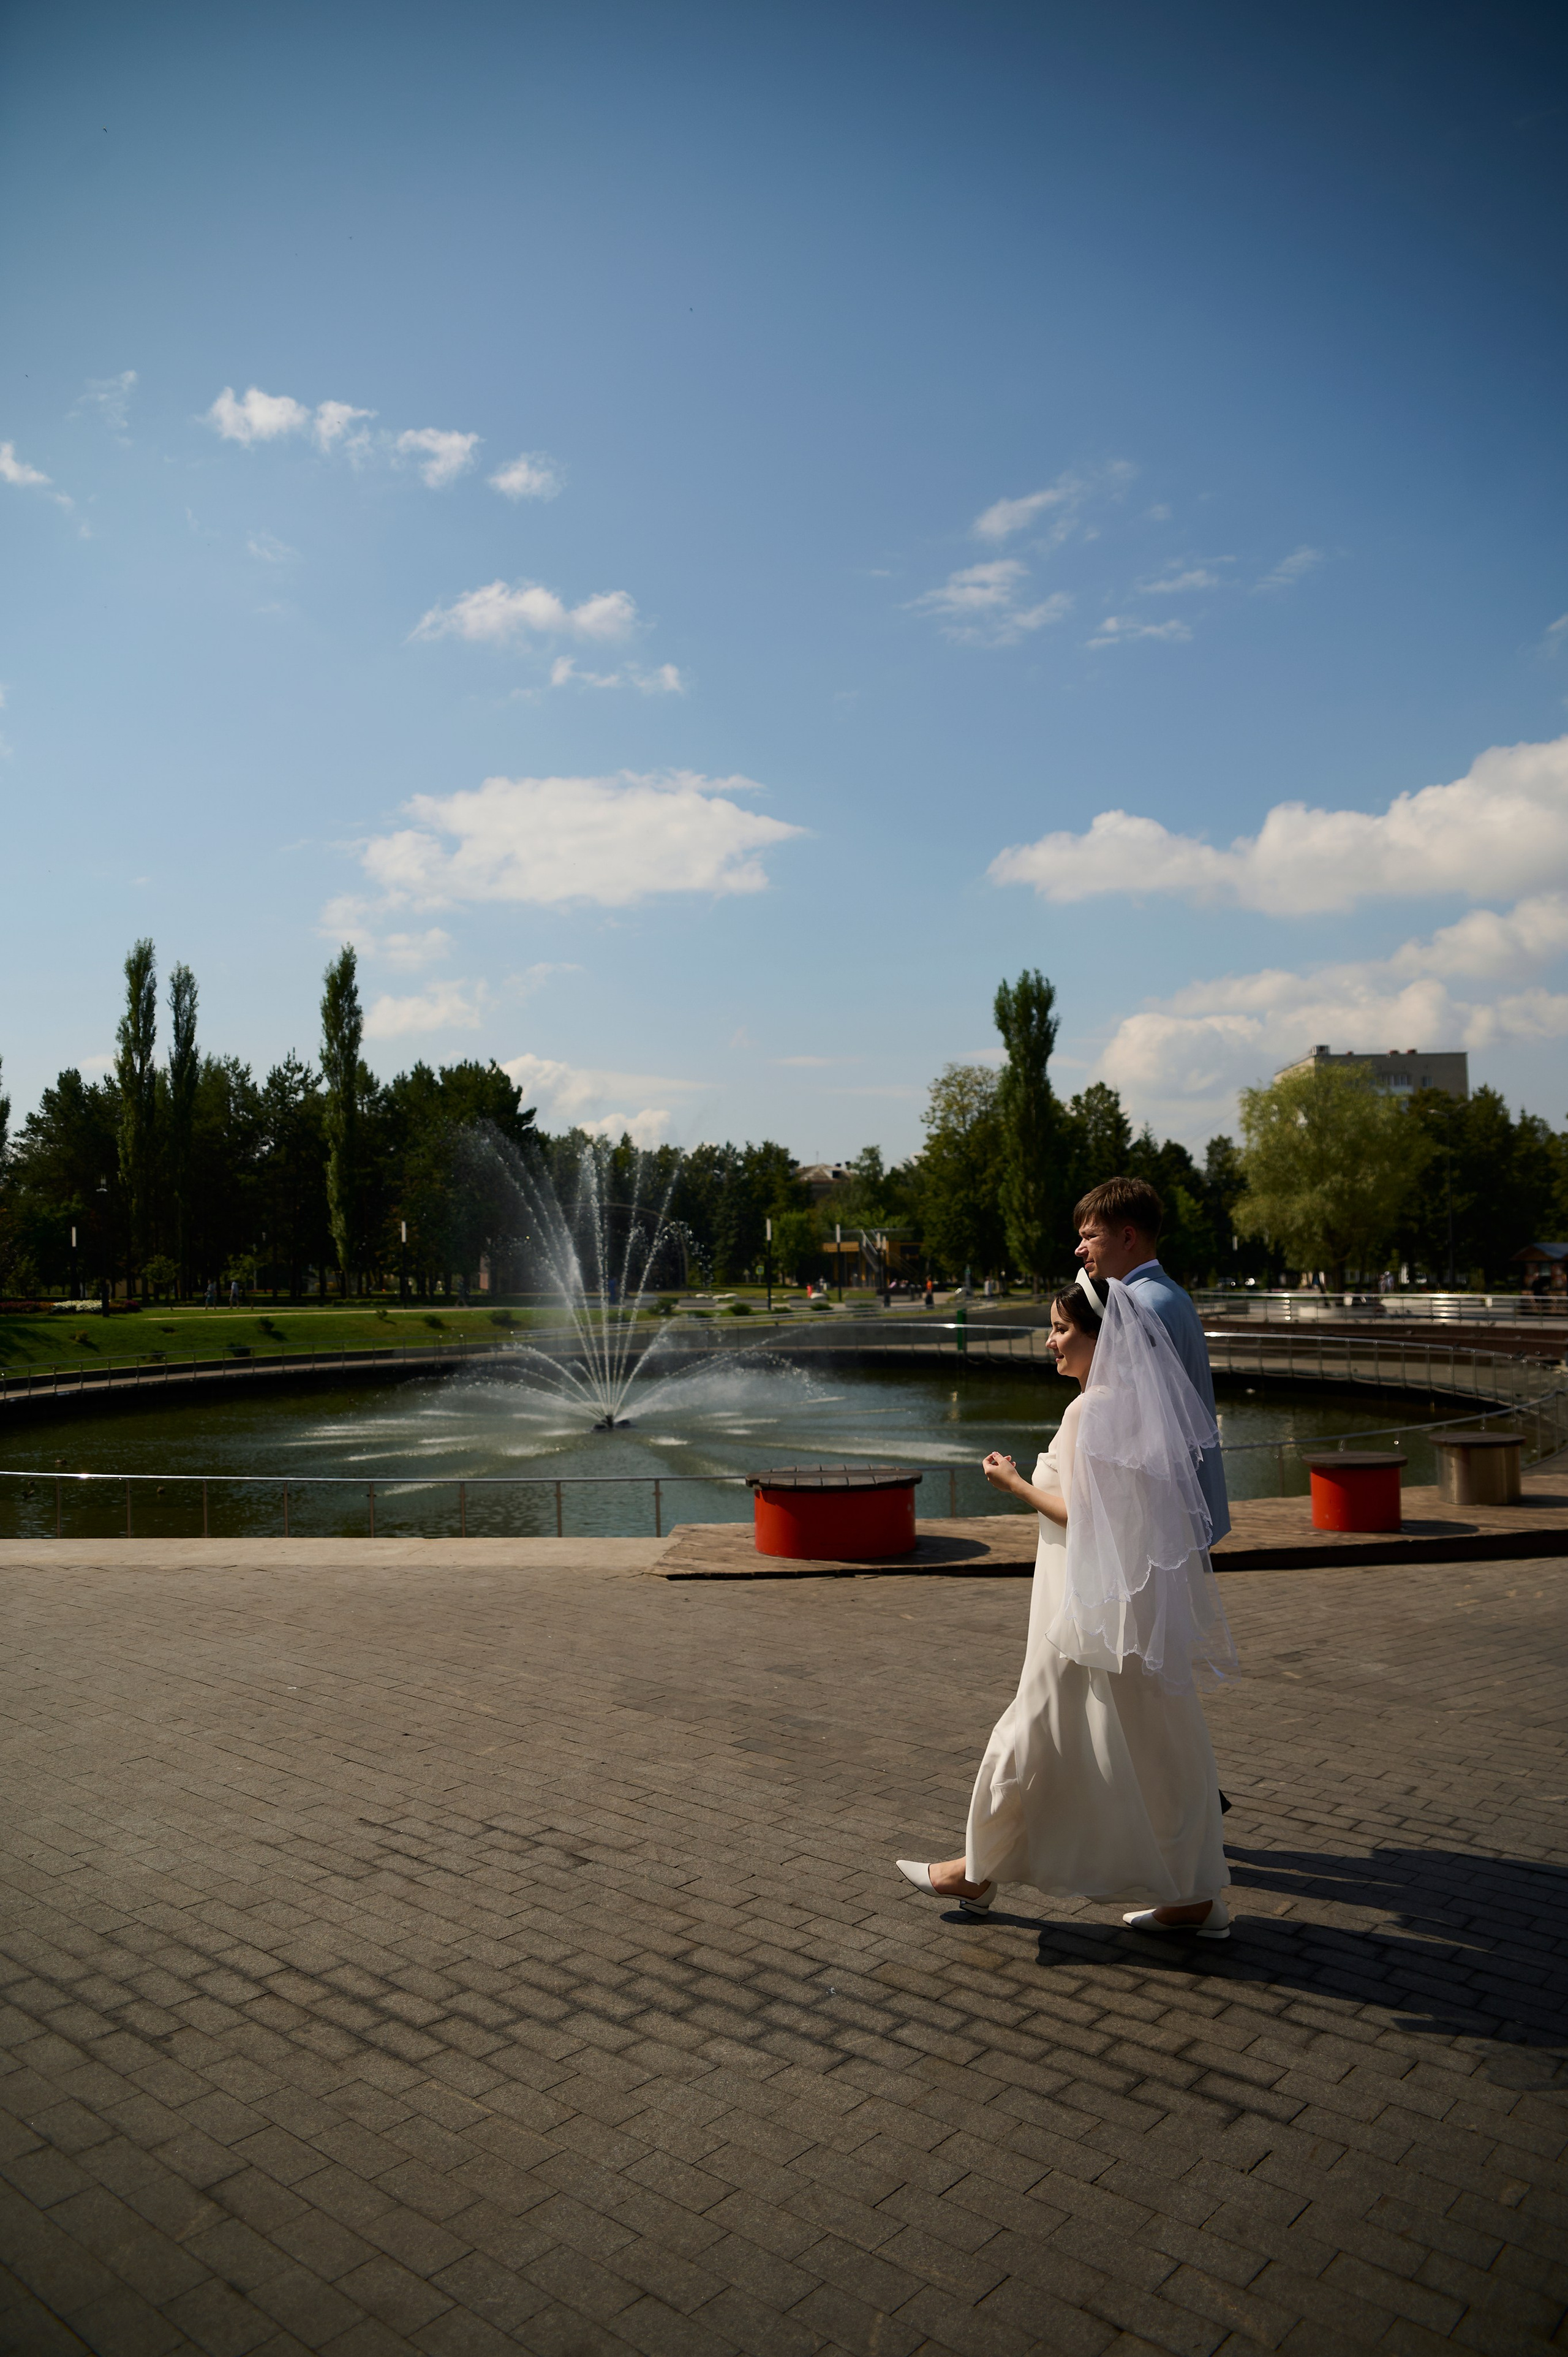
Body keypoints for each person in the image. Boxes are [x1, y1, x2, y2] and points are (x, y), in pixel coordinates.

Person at [896, 1273, 1238, 1934]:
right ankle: (1196, 1898)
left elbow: (1085, 1516)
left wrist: (1013, 1482)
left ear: (1100, 1336)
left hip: (1079, 1607)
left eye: (1061, 1328)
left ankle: (975, 1870)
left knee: (1035, 1731)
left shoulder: (1090, 1410)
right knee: (1155, 1743)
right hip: (1119, 1603)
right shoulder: (1135, 1403)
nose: (1049, 1341)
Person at [1072, 1175, 1230, 1543]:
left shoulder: (1136, 1307)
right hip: (1192, 1494)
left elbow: (1128, 1421)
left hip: (1162, 1509)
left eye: (1090, 1236)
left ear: (1128, 1238)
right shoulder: (1172, 1294)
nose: (1080, 1249)